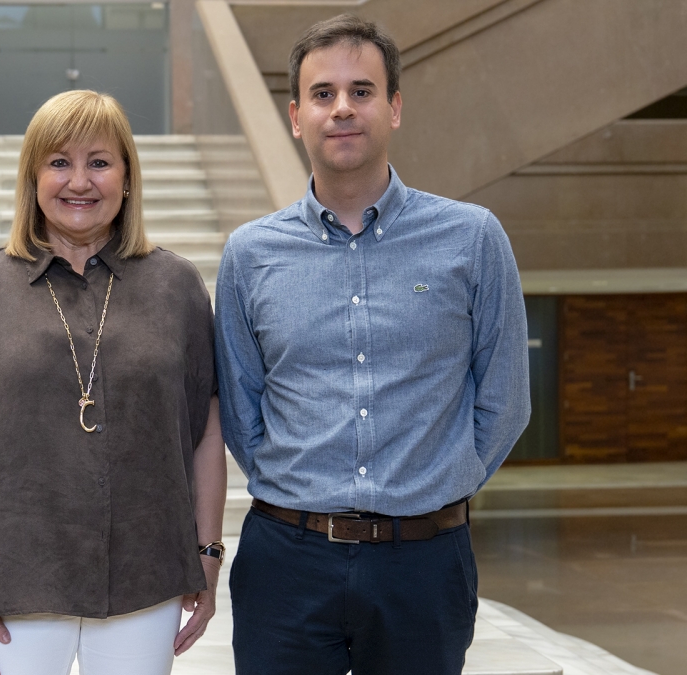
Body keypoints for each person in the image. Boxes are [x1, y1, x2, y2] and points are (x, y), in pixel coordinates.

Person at [214, 14, 530, 675]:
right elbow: (242, 408)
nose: (342, 109)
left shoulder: (472, 239)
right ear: (296, 116)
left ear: (394, 107)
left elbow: (504, 400)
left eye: (361, 90)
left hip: (424, 562)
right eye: (323, 95)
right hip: (287, 561)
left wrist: (436, 485)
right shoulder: (250, 254)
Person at [0, 89, 227, 675]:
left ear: (128, 177)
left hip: (146, 577)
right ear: (32, 178)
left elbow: (205, 432)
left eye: (100, 161)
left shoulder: (177, 286)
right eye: (59, 162)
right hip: (16, 585)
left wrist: (208, 554)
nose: (79, 182)